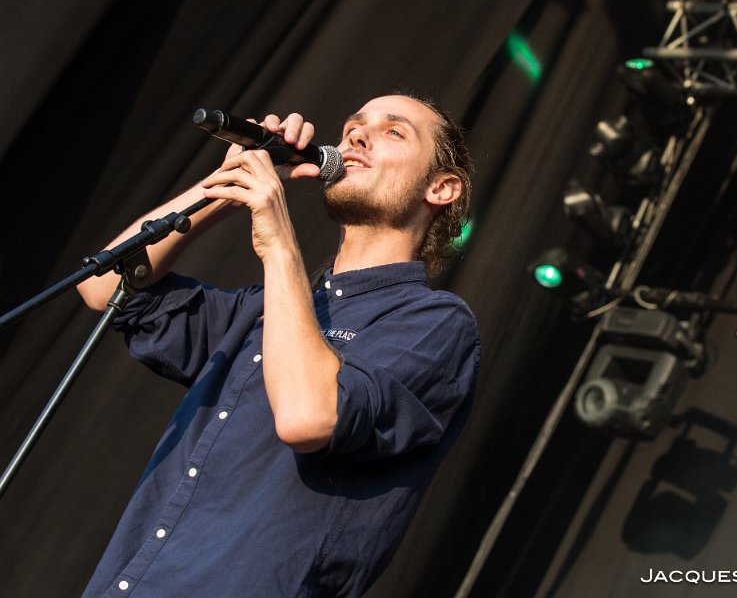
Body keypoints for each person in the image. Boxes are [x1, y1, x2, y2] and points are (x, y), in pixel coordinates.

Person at [76, 94, 481, 597]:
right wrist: (225, 187)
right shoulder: (265, 310)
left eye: (393, 131)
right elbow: (104, 286)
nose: (356, 135)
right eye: (353, 127)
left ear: (441, 188)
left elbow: (307, 418)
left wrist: (279, 244)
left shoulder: (436, 324)